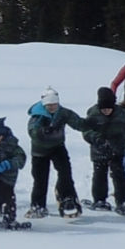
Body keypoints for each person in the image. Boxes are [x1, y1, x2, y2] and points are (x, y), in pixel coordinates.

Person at [25, 87, 87, 218]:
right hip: (39, 151)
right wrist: (43, 131)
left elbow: (79, 123)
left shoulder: (63, 113)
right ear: (44, 104)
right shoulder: (38, 115)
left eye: (54, 104)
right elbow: (32, 132)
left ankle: (68, 199)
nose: (52, 107)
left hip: (57, 147)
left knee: (65, 173)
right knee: (40, 179)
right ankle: (38, 205)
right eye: (49, 105)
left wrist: (93, 123)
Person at [84, 87, 125, 214]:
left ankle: (122, 201)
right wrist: (96, 139)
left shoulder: (121, 113)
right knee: (99, 175)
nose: (106, 111)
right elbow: (86, 130)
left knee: (119, 174)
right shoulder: (93, 114)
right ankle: (99, 200)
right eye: (103, 108)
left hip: (116, 149)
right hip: (99, 150)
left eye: (109, 108)